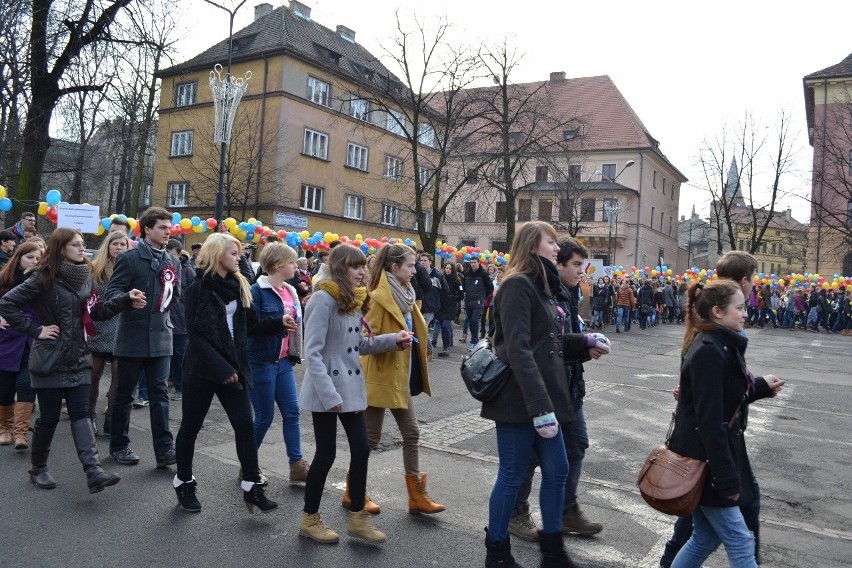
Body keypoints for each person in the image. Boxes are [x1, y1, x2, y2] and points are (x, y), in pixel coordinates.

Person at [483, 221, 602, 568]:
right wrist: (539, 408)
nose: (556, 247)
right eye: (551, 241)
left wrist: (584, 342)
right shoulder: (518, 285)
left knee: (558, 469)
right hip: (520, 400)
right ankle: (497, 552)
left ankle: (552, 552)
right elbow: (517, 350)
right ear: (533, 245)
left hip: (546, 399)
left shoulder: (542, 286)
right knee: (512, 474)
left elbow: (546, 343)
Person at [0, 228, 144, 493]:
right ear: (61, 249)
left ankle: (93, 472)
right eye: (75, 245)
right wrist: (36, 330)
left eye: (82, 244)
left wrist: (125, 300)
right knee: (50, 417)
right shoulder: (42, 278)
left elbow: (96, 312)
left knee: (80, 413)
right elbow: (7, 304)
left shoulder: (85, 278)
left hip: (78, 356)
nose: (82, 248)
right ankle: (39, 468)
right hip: (49, 358)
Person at [666, 279, 783, 568]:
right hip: (705, 460)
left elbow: (726, 398)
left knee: (705, 537)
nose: (745, 313)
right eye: (739, 307)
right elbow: (710, 421)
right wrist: (725, 477)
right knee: (740, 540)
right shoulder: (710, 350)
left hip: (710, 458)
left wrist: (761, 387)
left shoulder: (721, 345)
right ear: (718, 312)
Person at [298, 243, 409, 544]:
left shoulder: (353, 299)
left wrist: (392, 340)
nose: (362, 271)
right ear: (339, 268)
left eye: (363, 266)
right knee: (326, 454)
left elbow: (358, 344)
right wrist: (329, 394)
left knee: (361, 449)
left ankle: (357, 517)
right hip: (328, 389)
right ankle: (309, 518)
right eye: (355, 266)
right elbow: (314, 353)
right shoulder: (322, 300)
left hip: (349, 387)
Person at [173, 233, 287, 513]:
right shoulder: (197, 289)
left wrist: (278, 323)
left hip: (233, 368)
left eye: (239, 253)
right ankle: (184, 481)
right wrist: (222, 369)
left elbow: (251, 326)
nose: (240, 258)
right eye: (234, 254)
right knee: (190, 427)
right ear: (217, 255)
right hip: (202, 368)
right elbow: (196, 335)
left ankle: (251, 486)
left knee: (245, 426)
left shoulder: (238, 285)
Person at [507, 236, 609, 544]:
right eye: (576, 264)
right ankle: (515, 514)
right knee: (529, 457)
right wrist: (579, 348)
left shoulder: (569, 292)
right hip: (547, 390)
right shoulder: (532, 289)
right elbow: (532, 349)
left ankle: (565, 511)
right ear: (557, 262)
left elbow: (560, 344)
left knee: (576, 446)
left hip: (569, 390)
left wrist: (584, 345)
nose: (581, 270)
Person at [361, 243, 445, 516]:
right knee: (370, 440)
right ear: (394, 267)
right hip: (379, 377)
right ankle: (355, 491)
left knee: (412, 433)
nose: (415, 269)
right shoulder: (377, 297)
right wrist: (393, 340)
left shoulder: (407, 294)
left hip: (400, 378)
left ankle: (416, 496)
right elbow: (362, 343)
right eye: (410, 265)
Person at [105, 206, 181, 468]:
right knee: (124, 394)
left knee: (160, 396)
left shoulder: (173, 261)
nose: (167, 232)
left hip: (161, 338)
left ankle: (164, 450)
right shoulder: (129, 258)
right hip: (132, 338)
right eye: (162, 227)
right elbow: (111, 294)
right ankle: (119, 445)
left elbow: (175, 296)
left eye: (169, 227)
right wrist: (127, 298)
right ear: (147, 229)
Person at [247, 242, 309, 485]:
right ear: (277, 265)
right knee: (264, 416)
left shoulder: (289, 291)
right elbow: (250, 327)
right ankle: (248, 465)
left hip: (283, 361)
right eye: (292, 262)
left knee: (292, 413)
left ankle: (297, 466)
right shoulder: (256, 291)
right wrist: (277, 321)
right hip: (261, 361)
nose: (296, 266)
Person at [87, 231, 131, 436]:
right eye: (115, 243)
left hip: (120, 327)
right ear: (108, 246)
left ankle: (111, 419)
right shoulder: (95, 269)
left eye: (123, 244)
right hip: (97, 325)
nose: (119, 247)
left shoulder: (131, 268)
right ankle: (89, 417)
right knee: (93, 375)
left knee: (117, 377)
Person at [0, 242, 42, 449]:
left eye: (38, 258)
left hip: (32, 340)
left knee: (26, 385)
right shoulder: (4, 279)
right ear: (19, 258)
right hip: (6, 341)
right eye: (30, 257)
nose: (34, 262)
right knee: (5, 388)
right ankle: (5, 428)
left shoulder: (43, 282)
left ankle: (21, 433)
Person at [460, 257, 493, 349]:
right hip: (468, 301)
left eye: (474, 262)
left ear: (478, 263)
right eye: (471, 262)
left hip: (478, 301)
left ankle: (474, 341)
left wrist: (483, 297)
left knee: (474, 320)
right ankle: (474, 340)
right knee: (470, 321)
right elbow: (463, 287)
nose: (473, 264)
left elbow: (490, 288)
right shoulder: (466, 274)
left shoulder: (483, 274)